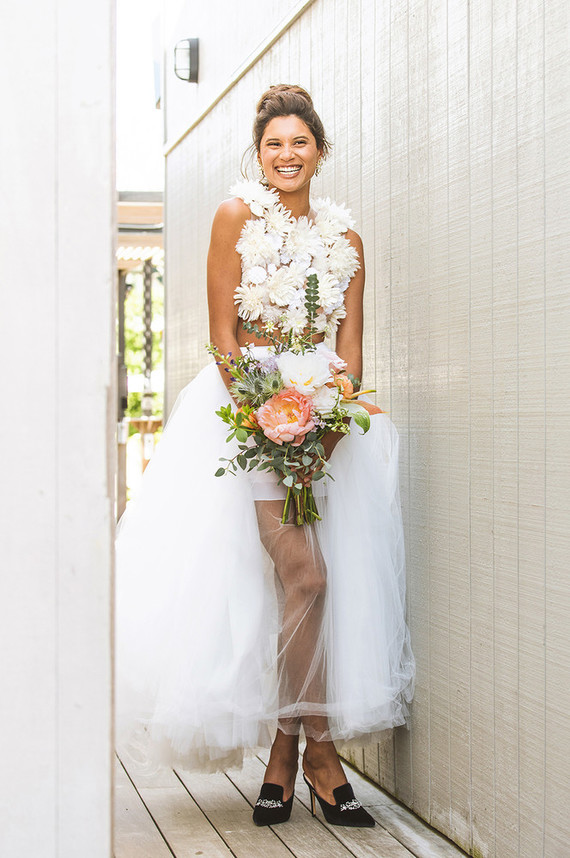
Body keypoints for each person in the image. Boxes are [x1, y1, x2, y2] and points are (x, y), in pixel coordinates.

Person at [115, 84, 415, 829]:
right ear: (260, 154)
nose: (287, 155)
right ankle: (320, 753)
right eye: (274, 144)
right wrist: (269, 420)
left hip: (328, 420)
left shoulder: (347, 242)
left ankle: (287, 751)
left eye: (300, 143)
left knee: (307, 585)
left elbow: (350, 354)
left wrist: (327, 426)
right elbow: (222, 336)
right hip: (246, 414)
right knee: (303, 572)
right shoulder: (233, 217)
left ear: (321, 151)